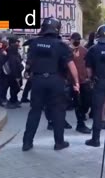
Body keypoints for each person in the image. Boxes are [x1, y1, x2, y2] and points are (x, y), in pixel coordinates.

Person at [22, 18, 80, 152]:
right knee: (58, 111)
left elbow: (29, 63)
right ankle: (59, 143)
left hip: (37, 80)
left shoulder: (34, 43)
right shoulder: (61, 45)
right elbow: (71, 66)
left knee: (34, 111)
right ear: (57, 29)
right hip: (55, 81)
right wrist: (76, 82)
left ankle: (27, 143)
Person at [69, 32, 92, 134]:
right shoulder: (67, 51)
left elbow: (88, 64)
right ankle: (80, 123)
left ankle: (82, 115)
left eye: (78, 39)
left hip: (84, 80)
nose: (76, 41)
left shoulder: (85, 51)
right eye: (75, 40)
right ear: (71, 40)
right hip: (72, 81)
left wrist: (89, 76)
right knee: (77, 102)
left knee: (86, 101)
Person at [5, 37, 24, 109]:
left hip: (17, 72)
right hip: (13, 73)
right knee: (14, 87)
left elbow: (18, 60)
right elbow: (13, 64)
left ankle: (14, 100)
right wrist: (15, 74)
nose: (17, 44)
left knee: (17, 87)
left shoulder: (15, 52)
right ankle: (12, 101)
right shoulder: (11, 52)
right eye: (16, 42)